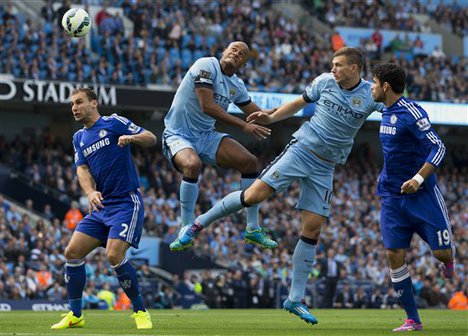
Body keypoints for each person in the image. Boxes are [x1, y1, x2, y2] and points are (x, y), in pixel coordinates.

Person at [177, 47, 384, 325]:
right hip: (302, 150)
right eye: (332, 64)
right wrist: (271, 117)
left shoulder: (370, 94)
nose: (333, 69)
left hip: (326, 166)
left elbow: (395, 108)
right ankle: (197, 224)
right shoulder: (324, 82)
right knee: (253, 196)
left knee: (312, 229)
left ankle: (295, 299)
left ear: (354, 69)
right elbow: (298, 103)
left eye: (338, 65)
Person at [51, 88, 157, 330]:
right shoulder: (79, 137)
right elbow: (82, 169)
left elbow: (150, 137)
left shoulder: (114, 122)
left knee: (113, 255)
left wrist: (132, 138)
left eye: (79, 102)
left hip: (126, 202)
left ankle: (140, 311)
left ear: (94, 103)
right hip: (101, 205)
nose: (74, 108)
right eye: (72, 105)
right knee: (72, 252)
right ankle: (75, 314)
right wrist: (89, 192)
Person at [164, 41, 276, 251]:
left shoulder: (237, 85)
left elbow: (257, 114)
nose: (236, 53)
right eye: (233, 49)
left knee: (249, 162)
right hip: (178, 133)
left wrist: (291, 107)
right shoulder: (206, 65)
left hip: (206, 136)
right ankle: (186, 226)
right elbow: (207, 106)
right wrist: (244, 126)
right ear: (224, 51)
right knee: (192, 164)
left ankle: (252, 228)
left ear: (243, 64)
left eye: (242, 53)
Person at [371, 63, 455, 332]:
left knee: (441, 252)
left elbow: (438, 147)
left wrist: (418, 178)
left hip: (422, 195)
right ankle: (413, 319)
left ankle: (448, 259)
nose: (371, 87)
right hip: (392, 197)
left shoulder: (412, 113)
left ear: (385, 86)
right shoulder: (382, 108)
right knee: (394, 253)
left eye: (373, 82)